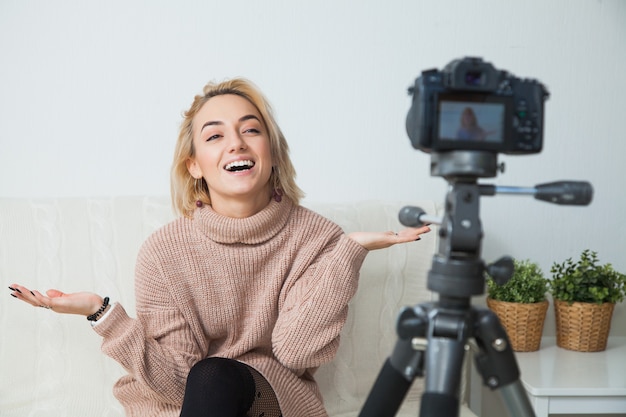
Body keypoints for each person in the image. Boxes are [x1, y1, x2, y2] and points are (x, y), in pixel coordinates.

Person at [8, 78, 431, 417]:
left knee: (214, 376)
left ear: (273, 153)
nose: (237, 143)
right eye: (215, 136)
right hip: (183, 403)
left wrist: (347, 253)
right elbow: (178, 383)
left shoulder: (318, 240)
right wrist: (103, 314)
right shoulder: (163, 252)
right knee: (208, 379)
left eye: (251, 129)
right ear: (194, 165)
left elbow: (297, 352)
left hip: (269, 402)